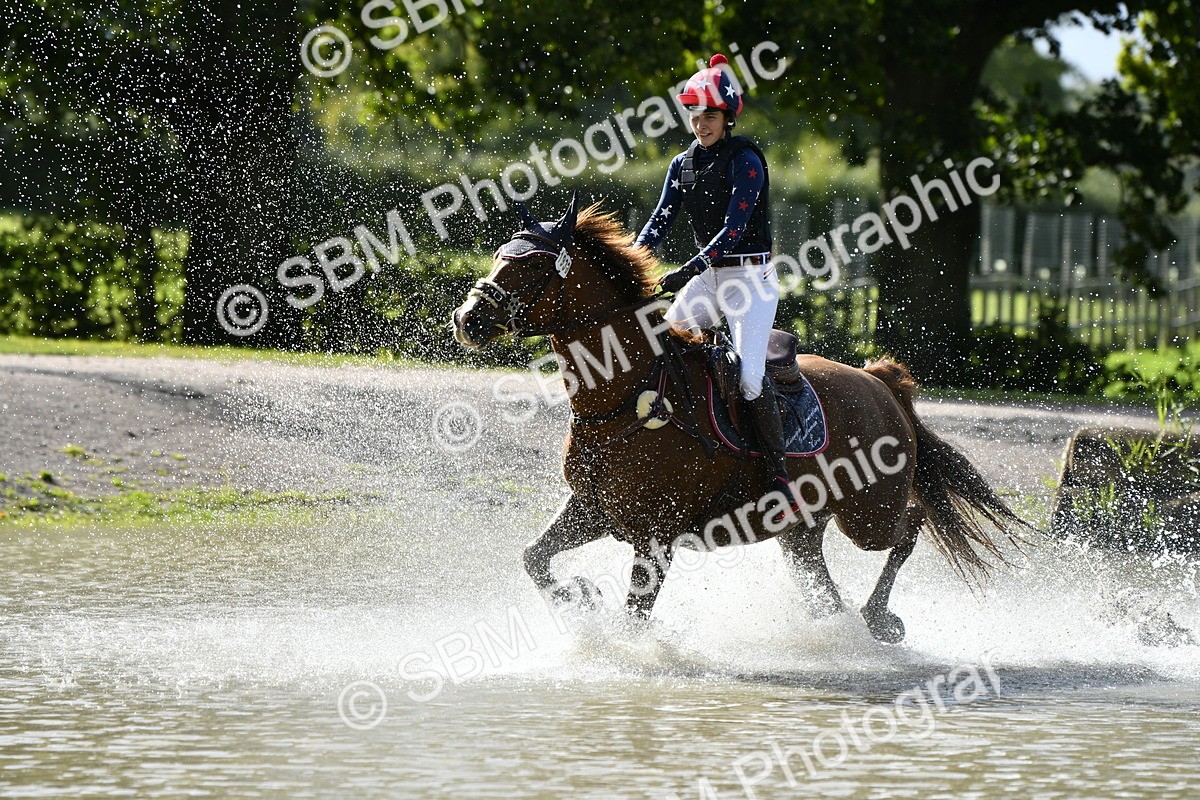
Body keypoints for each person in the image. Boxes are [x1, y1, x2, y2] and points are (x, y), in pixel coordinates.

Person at [636, 53, 802, 522]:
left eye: (709, 115)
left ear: (727, 118)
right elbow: (659, 221)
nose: (700, 123)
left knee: (750, 378)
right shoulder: (681, 164)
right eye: (694, 114)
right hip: (709, 278)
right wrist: (631, 263)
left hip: (749, 279)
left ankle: (778, 476)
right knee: (658, 347)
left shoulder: (746, 160)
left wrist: (686, 270)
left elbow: (734, 228)